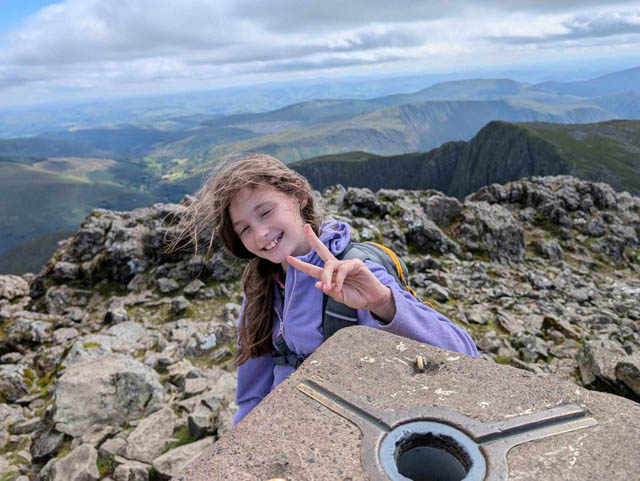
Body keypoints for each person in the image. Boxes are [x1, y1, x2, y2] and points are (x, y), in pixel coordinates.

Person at [178, 154, 478, 426]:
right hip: (290, 440)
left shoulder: (353, 272)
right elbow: (251, 397)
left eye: (266, 212)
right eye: (243, 228)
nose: (260, 234)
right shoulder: (260, 288)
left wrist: (384, 303)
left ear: (298, 197)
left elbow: (464, 355)